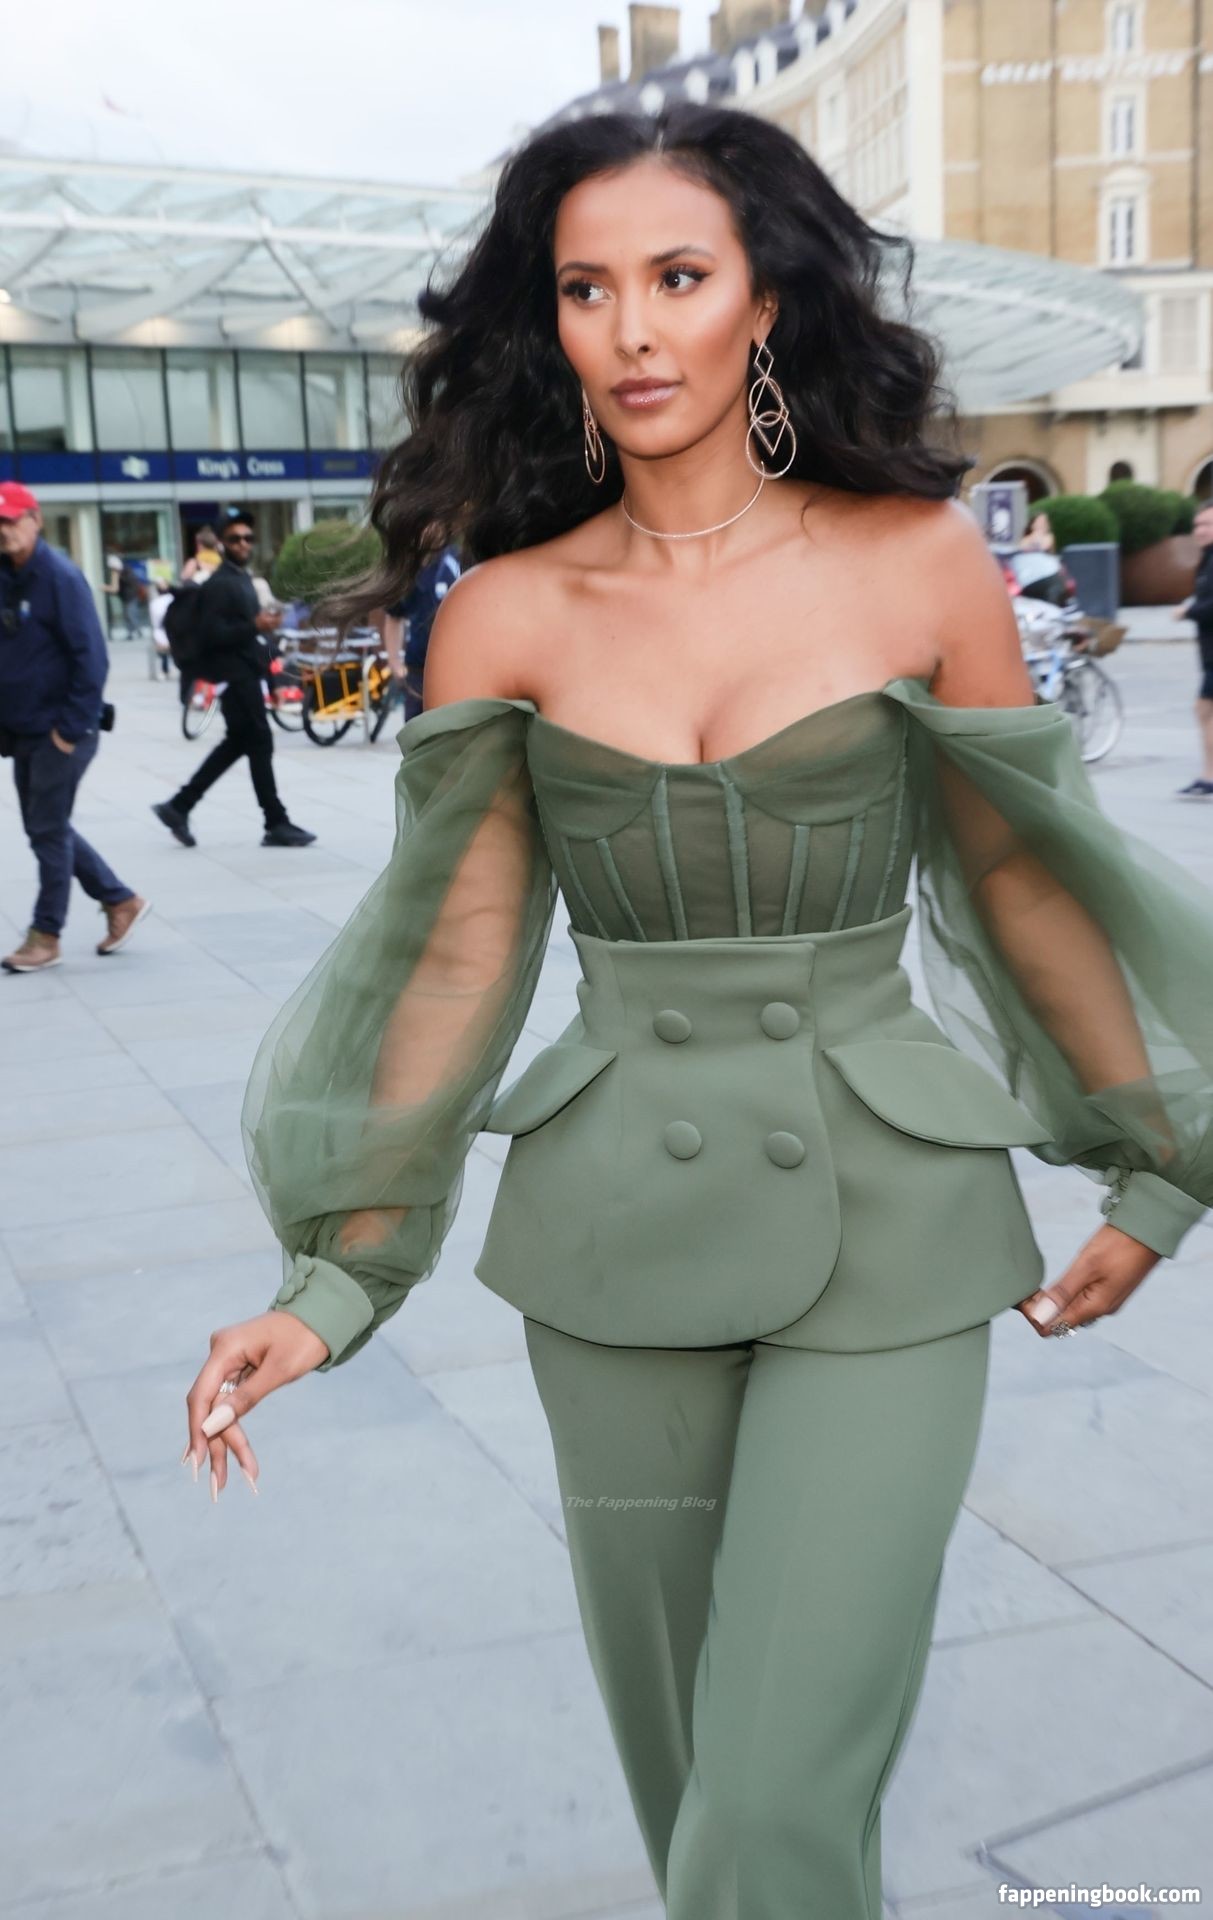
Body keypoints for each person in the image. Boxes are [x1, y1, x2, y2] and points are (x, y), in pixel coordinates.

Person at [182, 107, 1213, 1916]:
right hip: (614, 1254)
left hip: (889, 1230)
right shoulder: (501, 613)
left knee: (768, 1805)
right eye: (586, 289)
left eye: (677, 276)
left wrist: (1158, 1159)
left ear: (766, 300)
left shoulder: (917, 563)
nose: (634, 329)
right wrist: (337, 1275)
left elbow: (1024, 882)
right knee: (695, 1810)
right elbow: (454, 959)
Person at [0, 482, 150, 972]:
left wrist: (68, 731)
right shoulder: (7, 576)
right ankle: (120, 899)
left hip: (61, 732)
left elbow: (92, 659)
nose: (4, 530)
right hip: (24, 731)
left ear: (35, 520)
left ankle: (46, 935)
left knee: (46, 829)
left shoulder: (60, 577)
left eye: (11, 520)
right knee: (46, 826)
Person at [150, 511, 314, 849]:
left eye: (248, 538)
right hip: (234, 677)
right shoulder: (221, 583)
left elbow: (249, 635)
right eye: (235, 538)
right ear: (222, 544)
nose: (243, 543)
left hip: (245, 672)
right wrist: (255, 625)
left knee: (239, 743)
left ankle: (179, 806)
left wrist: (271, 666)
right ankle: (275, 821)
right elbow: (213, 635)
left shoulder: (241, 579)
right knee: (258, 743)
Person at [383, 541, 462, 719]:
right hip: (417, 671)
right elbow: (393, 615)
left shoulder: (457, 561)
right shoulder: (408, 567)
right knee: (416, 729)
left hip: (454, 670)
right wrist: (395, 662)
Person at [1174, 499, 1213, 797]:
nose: (1199, 530)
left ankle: (1209, 777)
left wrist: (1187, 611)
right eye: (1197, 525)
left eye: (1207, 524)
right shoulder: (1207, 558)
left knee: (1204, 710)